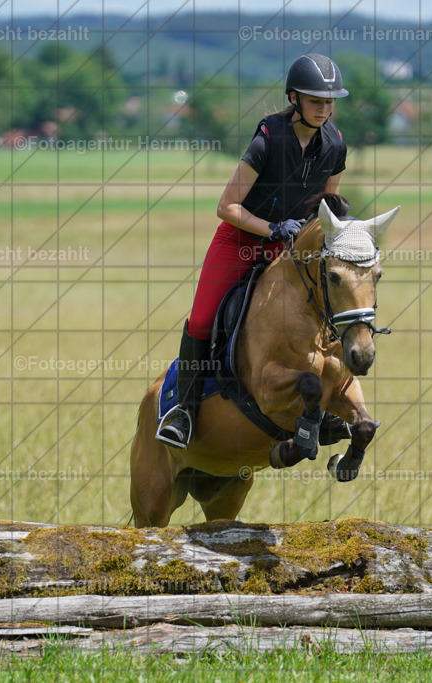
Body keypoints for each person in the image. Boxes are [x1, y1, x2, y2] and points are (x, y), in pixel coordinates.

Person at [156, 53, 350, 449]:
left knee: (330, 312)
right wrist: (273, 228)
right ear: (294, 98)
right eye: (315, 101)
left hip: (288, 249)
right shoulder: (268, 139)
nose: (324, 109)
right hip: (240, 241)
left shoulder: (335, 145)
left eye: (329, 102)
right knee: (202, 320)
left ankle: (323, 407)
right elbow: (226, 206)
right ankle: (184, 412)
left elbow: (326, 212)